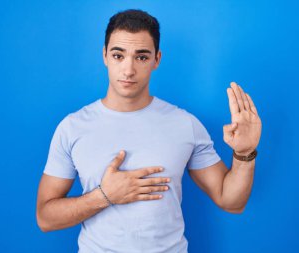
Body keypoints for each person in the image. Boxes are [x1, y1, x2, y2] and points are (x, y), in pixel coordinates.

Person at [36, 9, 262, 253]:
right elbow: (45, 218)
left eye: (141, 57)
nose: (129, 69)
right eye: (118, 55)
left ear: (157, 59)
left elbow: (232, 202)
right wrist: (105, 195)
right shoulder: (72, 127)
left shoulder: (185, 124)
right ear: (104, 56)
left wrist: (245, 153)